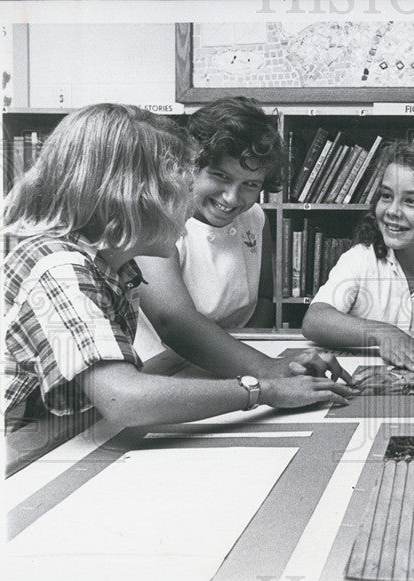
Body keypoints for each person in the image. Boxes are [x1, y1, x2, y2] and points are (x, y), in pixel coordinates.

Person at [2, 104, 353, 433]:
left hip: (63, 435)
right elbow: (124, 399)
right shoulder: (59, 266)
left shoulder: (108, 266)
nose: (189, 205)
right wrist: (261, 389)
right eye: (178, 188)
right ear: (128, 198)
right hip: (21, 448)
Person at [133, 96, 348, 382]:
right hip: (163, 368)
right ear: (190, 166)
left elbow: (263, 300)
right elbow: (172, 321)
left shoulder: (255, 216)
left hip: (237, 362)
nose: (232, 198)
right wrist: (266, 369)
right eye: (220, 176)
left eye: (250, 184)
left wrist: (251, 365)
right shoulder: (158, 219)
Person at [302, 141, 414, 372]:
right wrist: (383, 333)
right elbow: (315, 320)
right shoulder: (360, 259)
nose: (392, 211)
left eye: (411, 201)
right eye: (386, 196)